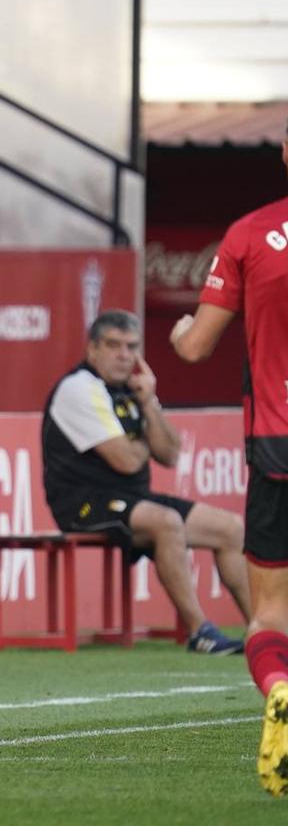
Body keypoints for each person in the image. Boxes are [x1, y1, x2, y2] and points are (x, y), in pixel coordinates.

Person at [170, 164, 288, 794]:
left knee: (270, 613)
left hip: (277, 440)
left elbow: (195, 348)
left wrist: (180, 329)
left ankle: (280, 688)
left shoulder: (251, 233)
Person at [42, 310, 248, 656]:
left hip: (134, 499)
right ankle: (200, 631)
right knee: (165, 522)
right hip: (83, 503)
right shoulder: (79, 388)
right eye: (113, 345)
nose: (123, 355)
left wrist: (150, 403)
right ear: (92, 349)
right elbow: (127, 459)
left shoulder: (134, 392)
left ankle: (265, 631)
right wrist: (143, 444)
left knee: (230, 528)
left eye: (131, 347)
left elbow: (169, 453)